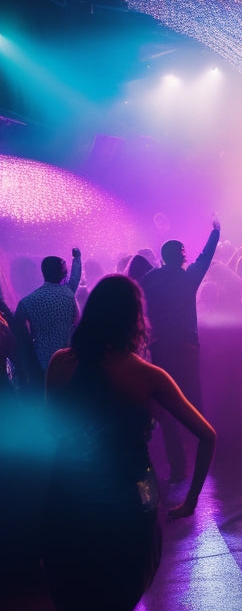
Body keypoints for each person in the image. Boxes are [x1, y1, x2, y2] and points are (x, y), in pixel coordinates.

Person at [43, 275, 215, 611]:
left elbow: (51, 429)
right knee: (124, 587)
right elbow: (207, 435)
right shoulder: (148, 375)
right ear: (135, 318)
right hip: (136, 491)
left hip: (68, 493)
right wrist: (191, 500)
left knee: (76, 592)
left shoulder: (60, 364)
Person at [140, 219, 220, 482]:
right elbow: (205, 257)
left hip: (160, 346)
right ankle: (207, 458)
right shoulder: (188, 277)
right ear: (182, 255)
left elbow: (143, 308)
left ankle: (177, 465)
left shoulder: (149, 280)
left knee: (167, 405)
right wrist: (215, 231)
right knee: (194, 400)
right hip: (187, 346)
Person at [14, 249, 82, 389]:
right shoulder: (68, 292)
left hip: (42, 363)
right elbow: (76, 277)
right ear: (63, 273)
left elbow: (18, 330)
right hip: (68, 361)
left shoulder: (28, 302)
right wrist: (77, 258)